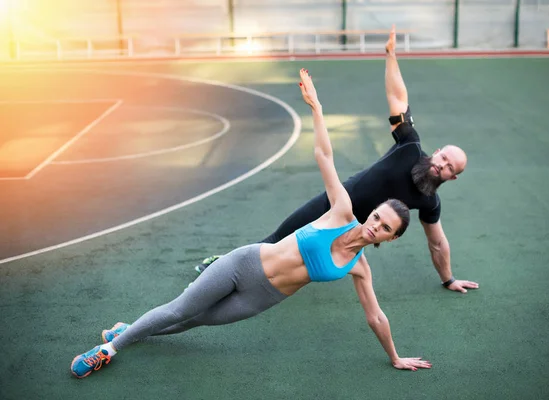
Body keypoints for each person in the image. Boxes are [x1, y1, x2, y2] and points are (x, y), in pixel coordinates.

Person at [70, 69, 432, 379]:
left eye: (385, 228)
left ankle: (129, 331)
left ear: (393, 238)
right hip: (245, 265)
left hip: (262, 298)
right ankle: (108, 350)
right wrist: (317, 109)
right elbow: (324, 154)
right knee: (180, 308)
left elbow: (375, 317)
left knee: (192, 321)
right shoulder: (341, 210)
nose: (375, 226)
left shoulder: (360, 268)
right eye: (378, 217)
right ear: (372, 213)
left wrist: (395, 357)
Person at [196, 26, 478, 294]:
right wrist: (391, 55)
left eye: (449, 167)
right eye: (443, 157)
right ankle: (219, 269)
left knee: (299, 267)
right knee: (274, 243)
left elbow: (437, 242)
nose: (441, 164)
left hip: (356, 233)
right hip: (332, 205)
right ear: (437, 151)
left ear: (452, 176)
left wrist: (448, 279)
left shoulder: (429, 202)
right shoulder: (410, 146)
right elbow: (397, 96)